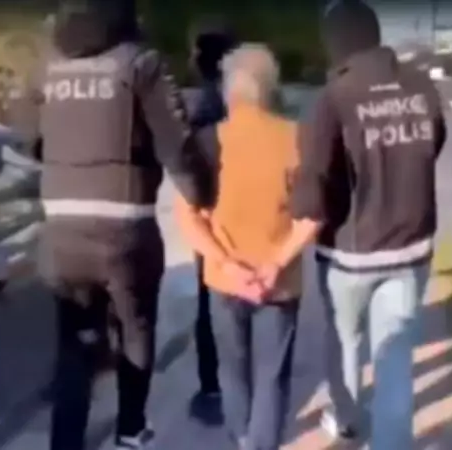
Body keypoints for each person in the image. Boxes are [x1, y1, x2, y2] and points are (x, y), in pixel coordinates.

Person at [7, 0, 208, 449]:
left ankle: (65, 442)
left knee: (74, 344)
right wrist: (202, 196)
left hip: (62, 229)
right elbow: (176, 145)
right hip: (124, 228)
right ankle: (131, 430)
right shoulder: (141, 63)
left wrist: (61, 160)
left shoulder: (47, 67)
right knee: (135, 327)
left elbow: (23, 134)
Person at [289, 1, 447, 448]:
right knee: (394, 357)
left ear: (334, 43)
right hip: (411, 249)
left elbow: (312, 190)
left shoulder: (332, 98)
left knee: (345, 341)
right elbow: (433, 146)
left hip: (348, 255)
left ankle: (346, 421)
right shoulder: (422, 88)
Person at [174, 43, 314, 450]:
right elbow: (313, 214)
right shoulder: (297, 138)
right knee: (272, 376)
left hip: (225, 280)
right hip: (279, 282)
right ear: (271, 88)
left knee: (232, 373)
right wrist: (277, 262)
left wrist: (226, 264)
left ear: (227, 90)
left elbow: (188, 216)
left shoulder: (205, 142)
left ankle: (241, 440)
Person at [184, 18, 238, 426]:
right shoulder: (248, 100)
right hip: (250, 213)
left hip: (212, 217)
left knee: (210, 305)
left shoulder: (202, 107)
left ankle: (213, 389)